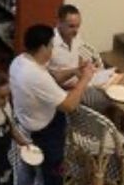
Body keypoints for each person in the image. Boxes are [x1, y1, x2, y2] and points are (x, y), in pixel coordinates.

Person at [10, 25, 95, 185]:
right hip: (45, 132)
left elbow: (52, 77)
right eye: (51, 46)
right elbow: (69, 105)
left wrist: (75, 71)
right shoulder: (36, 76)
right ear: (43, 48)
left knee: (27, 166)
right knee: (54, 172)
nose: (52, 50)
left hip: (25, 123)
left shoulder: (20, 61)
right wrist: (85, 79)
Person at [48, 4, 87, 88]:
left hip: (78, 84)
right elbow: (47, 78)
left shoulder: (76, 36)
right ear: (59, 23)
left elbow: (77, 56)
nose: (76, 30)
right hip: (61, 89)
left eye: (78, 26)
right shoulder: (49, 43)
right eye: (71, 26)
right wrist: (73, 72)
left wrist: (84, 65)